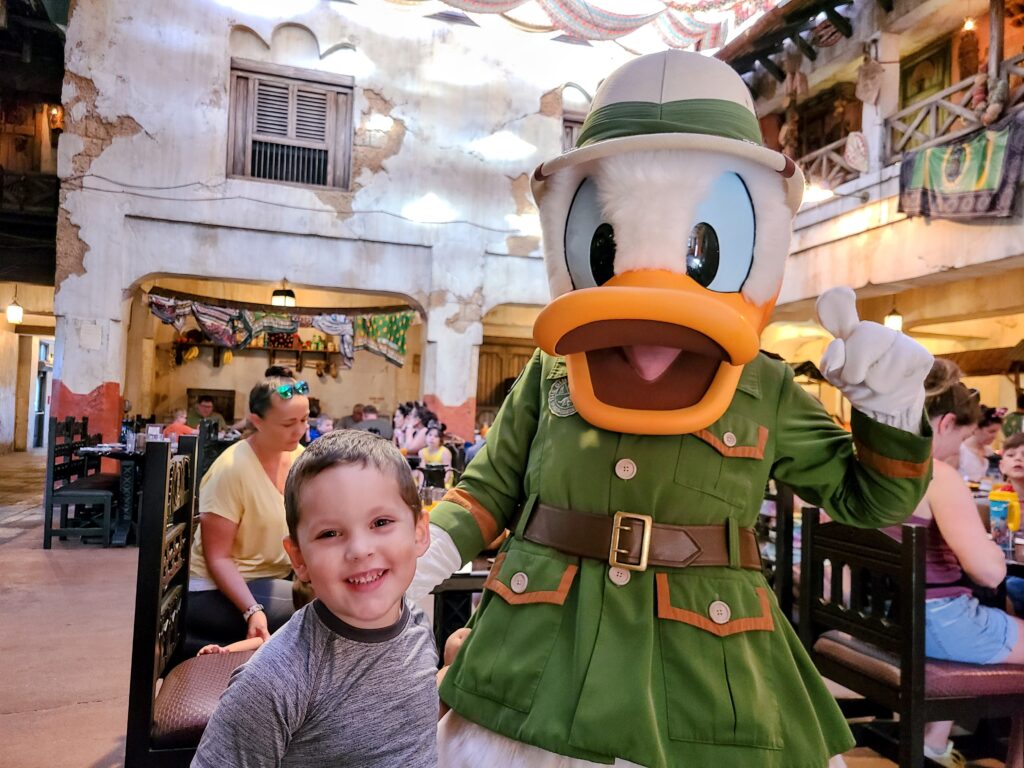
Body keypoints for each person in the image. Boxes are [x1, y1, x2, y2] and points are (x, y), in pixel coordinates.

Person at [192, 430, 437, 768]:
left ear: (420, 532)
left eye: (381, 522)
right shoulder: (275, 682)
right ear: (299, 559)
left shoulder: (418, 626)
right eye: (330, 534)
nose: (360, 550)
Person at [904, 360, 1024, 767]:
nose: (959, 449)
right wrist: (988, 547)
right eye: (964, 437)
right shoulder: (936, 474)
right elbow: (990, 572)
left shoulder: (874, 465)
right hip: (939, 622)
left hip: (896, 617)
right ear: (945, 423)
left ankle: (934, 745)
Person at [186, 377, 310, 648]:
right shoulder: (231, 469)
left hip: (268, 582)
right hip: (214, 592)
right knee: (328, 611)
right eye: (289, 424)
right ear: (257, 420)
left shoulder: (300, 459)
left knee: (344, 600)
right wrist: (252, 610)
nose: (299, 430)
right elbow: (217, 557)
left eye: (305, 420)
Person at [958, 405, 1003, 482]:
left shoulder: (989, 451)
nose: (994, 436)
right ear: (975, 429)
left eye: (996, 432)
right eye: (991, 431)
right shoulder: (960, 450)